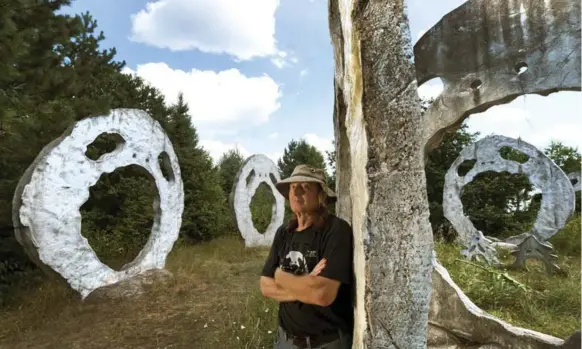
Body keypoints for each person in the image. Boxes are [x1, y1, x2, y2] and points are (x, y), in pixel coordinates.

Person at [260, 164, 354, 349]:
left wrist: (280, 275)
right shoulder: (284, 232)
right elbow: (265, 286)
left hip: (326, 342)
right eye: (293, 187)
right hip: (285, 340)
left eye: (305, 187)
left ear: (321, 195)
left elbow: (322, 294)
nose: (296, 192)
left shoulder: (336, 230)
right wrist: (307, 283)